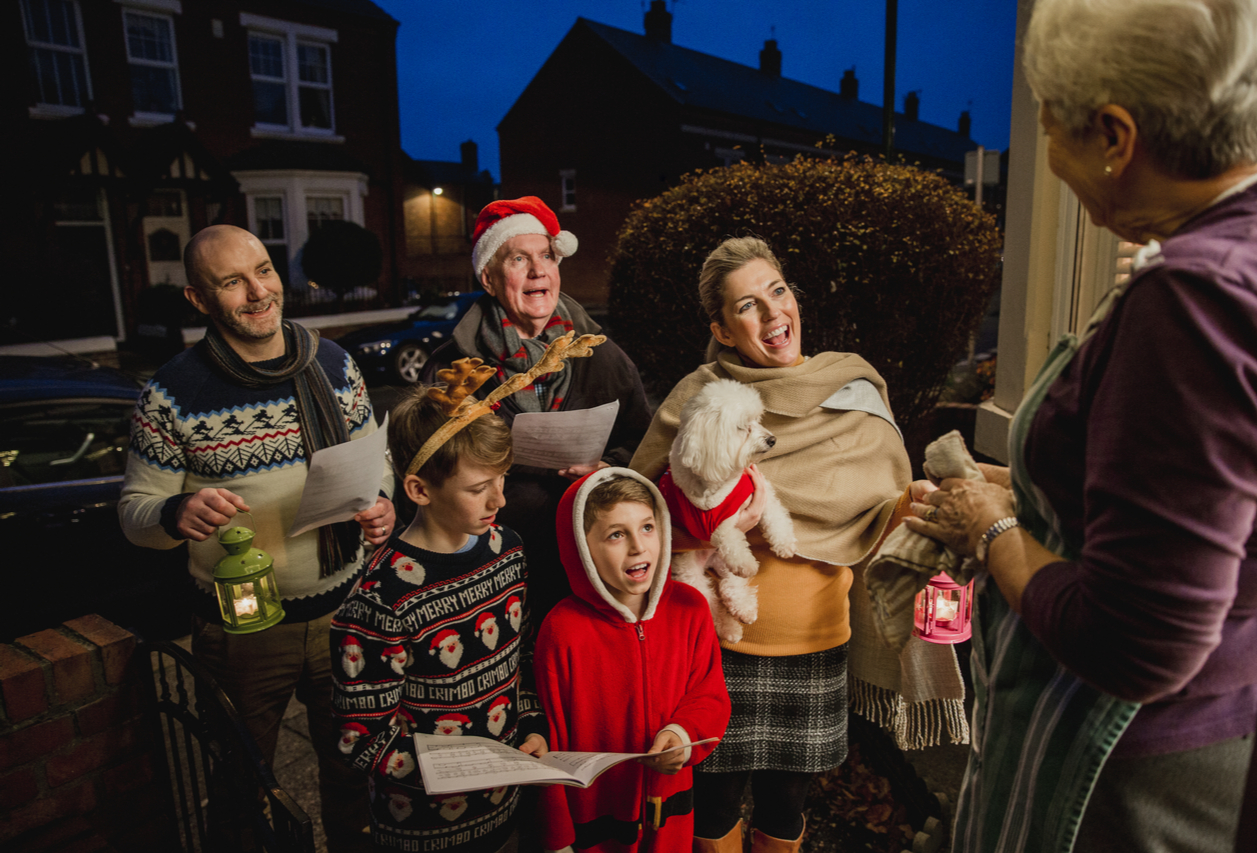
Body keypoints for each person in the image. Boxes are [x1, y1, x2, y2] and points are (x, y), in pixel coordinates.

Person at [903, 1, 1257, 850]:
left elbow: (1136, 641)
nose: (1044, 143)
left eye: (1047, 122)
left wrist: (990, 524)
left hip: (1123, 774)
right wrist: (1031, 487)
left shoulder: (1196, 302)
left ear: (1116, 136)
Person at [630, 237, 956, 853]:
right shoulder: (698, 397)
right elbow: (646, 508)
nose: (773, 312)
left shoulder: (854, 388)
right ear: (723, 330)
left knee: (786, 804)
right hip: (711, 640)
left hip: (814, 638)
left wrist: (920, 508)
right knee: (714, 799)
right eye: (747, 305)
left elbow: (876, 527)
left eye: (777, 291)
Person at [120, 224, 396, 850]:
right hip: (243, 629)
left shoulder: (333, 363)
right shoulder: (170, 395)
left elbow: (376, 463)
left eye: (264, 270)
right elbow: (135, 514)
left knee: (355, 772)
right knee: (242, 783)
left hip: (345, 614)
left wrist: (383, 501)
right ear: (199, 300)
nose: (257, 291)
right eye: (231, 281)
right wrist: (174, 513)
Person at [331, 384, 548, 853]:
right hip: (424, 831)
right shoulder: (380, 599)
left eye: (502, 479)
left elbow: (522, 659)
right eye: (477, 488)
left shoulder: (506, 550)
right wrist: (466, 768)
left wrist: (531, 725)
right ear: (419, 489)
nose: (499, 501)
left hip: (505, 809)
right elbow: (362, 740)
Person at [422, 196, 651, 626]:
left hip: (589, 568)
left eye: (546, 255)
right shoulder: (450, 369)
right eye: (518, 258)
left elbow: (643, 444)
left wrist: (607, 467)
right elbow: (428, 472)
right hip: (489, 574)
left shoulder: (605, 356)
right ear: (488, 279)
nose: (537, 270)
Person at [534, 469, 731, 853]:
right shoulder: (562, 630)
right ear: (581, 547)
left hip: (668, 813)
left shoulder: (690, 610)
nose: (639, 547)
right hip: (592, 822)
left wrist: (682, 736)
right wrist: (556, 837)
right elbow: (550, 741)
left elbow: (709, 694)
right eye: (616, 534)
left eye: (647, 528)